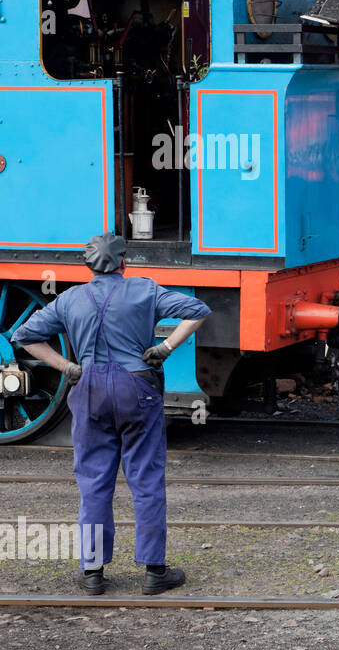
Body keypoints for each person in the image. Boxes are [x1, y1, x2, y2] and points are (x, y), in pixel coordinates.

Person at [10, 234, 210, 595]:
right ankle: (154, 571)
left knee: (93, 482)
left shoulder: (70, 298)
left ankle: (93, 573)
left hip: (88, 388)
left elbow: (24, 335)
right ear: (124, 263)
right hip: (138, 388)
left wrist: (66, 367)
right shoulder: (144, 290)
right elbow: (198, 311)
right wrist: (164, 347)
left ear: (87, 266)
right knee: (146, 478)